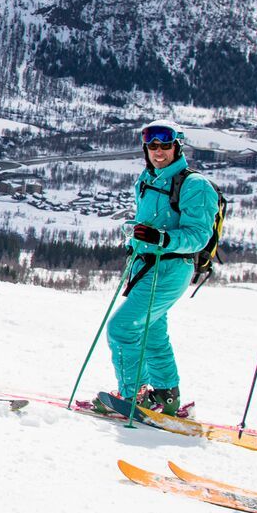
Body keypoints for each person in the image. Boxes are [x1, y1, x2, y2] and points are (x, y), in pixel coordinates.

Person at [94, 121, 218, 419]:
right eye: (153, 146)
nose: (159, 152)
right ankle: (165, 395)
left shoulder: (194, 185)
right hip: (145, 265)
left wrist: (163, 239)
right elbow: (147, 221)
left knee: (122, 327)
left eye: (165, 146)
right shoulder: (148, 179)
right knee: (151, 330)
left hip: (172, 268)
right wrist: (135, 235)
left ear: (177, 147)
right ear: (146, 149)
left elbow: (199, 235)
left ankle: (132, 395)